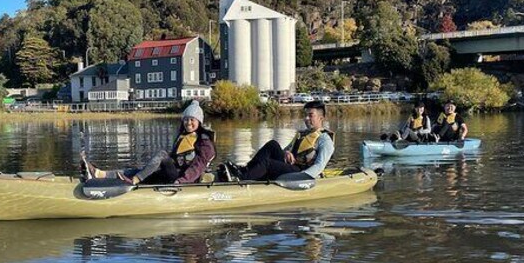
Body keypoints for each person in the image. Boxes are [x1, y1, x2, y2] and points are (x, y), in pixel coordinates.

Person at [81, 100, 216, 185]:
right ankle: (99, 174)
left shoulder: (205, 143)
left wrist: (181, 181)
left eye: (192, 120)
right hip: (173, 175)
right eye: (186, 119)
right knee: (137, 170)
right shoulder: (183, 136)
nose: (188, 123)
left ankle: (134, 181)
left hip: (186, 180)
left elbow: (198, 167)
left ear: (199, 121)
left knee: (162, 155)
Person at [220, 100, 334, 182]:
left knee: (268, 162)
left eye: (310, 115)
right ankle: (244, 170)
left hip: (301, 172)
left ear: (321, 118)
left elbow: (319, 166)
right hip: (291, 166)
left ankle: (241, 178)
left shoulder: (325, 139)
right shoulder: (302, 133)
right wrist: (286, 153)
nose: (306, 118)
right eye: (305, 115)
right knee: (272, 145)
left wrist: (300, 178)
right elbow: (285, 151)